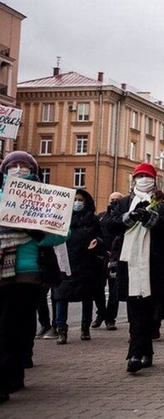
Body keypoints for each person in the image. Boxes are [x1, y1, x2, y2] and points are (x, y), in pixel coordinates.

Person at [0, 152, 67, 404]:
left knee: (12, 326)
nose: (18, 169)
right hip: (1, 270)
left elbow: (61, 235)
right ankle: (12, 374)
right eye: (13, 165)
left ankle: (6, 378)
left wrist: (36, 231)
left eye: (24, 165)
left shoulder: (46, 199)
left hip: (28, 273)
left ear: (34, 170)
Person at [108, 162, 164, 374]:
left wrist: (152, 219)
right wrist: (128, 218)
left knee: (149, 306)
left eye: (147, 176)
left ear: (154, 179)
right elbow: (111, 225)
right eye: (139, 176)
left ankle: (140, 352)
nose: (143, 180)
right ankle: (138, 353)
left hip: (155, 262)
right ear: (134, 179)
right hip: (129, 262)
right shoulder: (124, 203)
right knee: (135, 306)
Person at [52, 189, 104, 344]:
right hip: (65, 262)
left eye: (81, 200)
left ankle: (85, 328)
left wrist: (98, 242)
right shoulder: (62, 217)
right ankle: (61, 329)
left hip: (87, 263)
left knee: (86, 297)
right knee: (61, 297)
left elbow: (101, 237)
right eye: (75, 199)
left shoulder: (92, 220)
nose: (77, 203)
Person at [95, 192, 124, 331]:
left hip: (116, 258)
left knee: (114, 291)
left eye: (117, 200)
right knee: (98, 290)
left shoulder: (122, 218)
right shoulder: (101, 217)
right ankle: (100, 313)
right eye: (112, 199)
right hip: (101, 258)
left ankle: (110, 319)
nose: (114, 202)